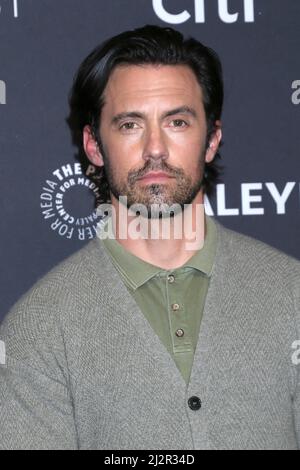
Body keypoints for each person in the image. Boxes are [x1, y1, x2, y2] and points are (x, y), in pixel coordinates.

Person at [0, 25, 299, 451]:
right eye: (129, 125)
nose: (154, 148)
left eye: (177, 121)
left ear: (212, 139)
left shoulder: (292, 294)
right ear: (94, 146)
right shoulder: (39, 329)